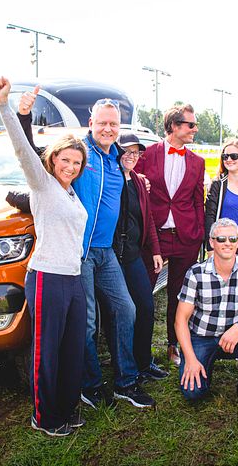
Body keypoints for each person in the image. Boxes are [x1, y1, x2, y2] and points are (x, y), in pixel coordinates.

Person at [0, 77, 87, 437]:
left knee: (73, 348)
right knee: (47, 351)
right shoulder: (43, 184)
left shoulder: (71, 193)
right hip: (47, 276)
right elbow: (22, 149)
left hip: (73, 278)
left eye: (77, 162)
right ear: (53, 160)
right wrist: (8, 107)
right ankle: (45, 417)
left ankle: (67, 407)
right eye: (66, 160)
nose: (71, 167)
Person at [74, 98, 155, 409]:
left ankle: (126, 382)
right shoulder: (79, 151)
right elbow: (47, 176)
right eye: (102, 122)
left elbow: (130, 178)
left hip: (106, 251)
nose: (108, 128)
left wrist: (139, 178)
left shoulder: (115, 159)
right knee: (89, 322)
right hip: (80, 251)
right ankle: (90, 385)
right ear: (91, 122)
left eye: (114, 124)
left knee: (126, 309)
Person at [175, 218, 238, 411]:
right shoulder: (196, 273)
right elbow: (181, 320)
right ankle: (202, 365)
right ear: (212, 242)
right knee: (193, 393)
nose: (227, 243)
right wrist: (190, 358)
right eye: (221, 239)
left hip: (235, 336)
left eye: (232, 238)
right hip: (202, 337)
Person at [135, 103, 206, 366]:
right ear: (174, 126)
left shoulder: (197, 162)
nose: (194, 129)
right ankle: (138, 349)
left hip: (186, 236)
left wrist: (198, 232)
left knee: (180, 294)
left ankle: (173, 346)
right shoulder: (148, 154)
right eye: (190, 124)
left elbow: (198, 200)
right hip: (153, 236)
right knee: (143, 292)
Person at [112, 132, 168, 382]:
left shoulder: (137, 181)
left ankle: (144, 362)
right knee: (124, 311)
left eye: (136, 152)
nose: (132, 156)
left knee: (146, 306)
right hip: (110, 257)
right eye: (127, 151)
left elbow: (149, 217)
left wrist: (155, 250)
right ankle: (124, 367)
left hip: (134, 254)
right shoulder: (111, 177)